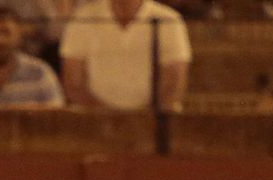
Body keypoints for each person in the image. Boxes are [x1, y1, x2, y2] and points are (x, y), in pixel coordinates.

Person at [60, 0, 190, 111]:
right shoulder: (82, 18)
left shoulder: (169, 19)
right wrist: (111, 119)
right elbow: (73, 84)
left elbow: (174, 84)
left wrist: (142, 119)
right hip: (95, 123)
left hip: (154, 124)